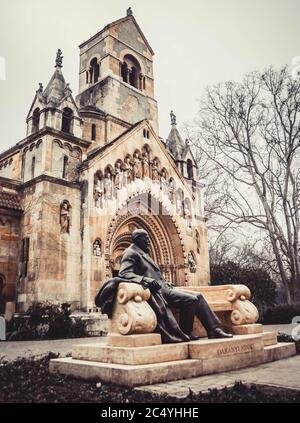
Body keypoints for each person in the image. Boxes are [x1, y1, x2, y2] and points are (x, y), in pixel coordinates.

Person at [118, 229, 232, 341]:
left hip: (164, 288)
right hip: (157, 292)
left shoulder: (142, 252)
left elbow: (150, 272)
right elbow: (124, 273)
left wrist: (164, 282)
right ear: (138, 240)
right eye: (146, 239)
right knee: (192, 300)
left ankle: (214, 329)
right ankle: (187, 331)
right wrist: (146, 280)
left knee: (199, 296)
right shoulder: (130, 252)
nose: (149, 242)